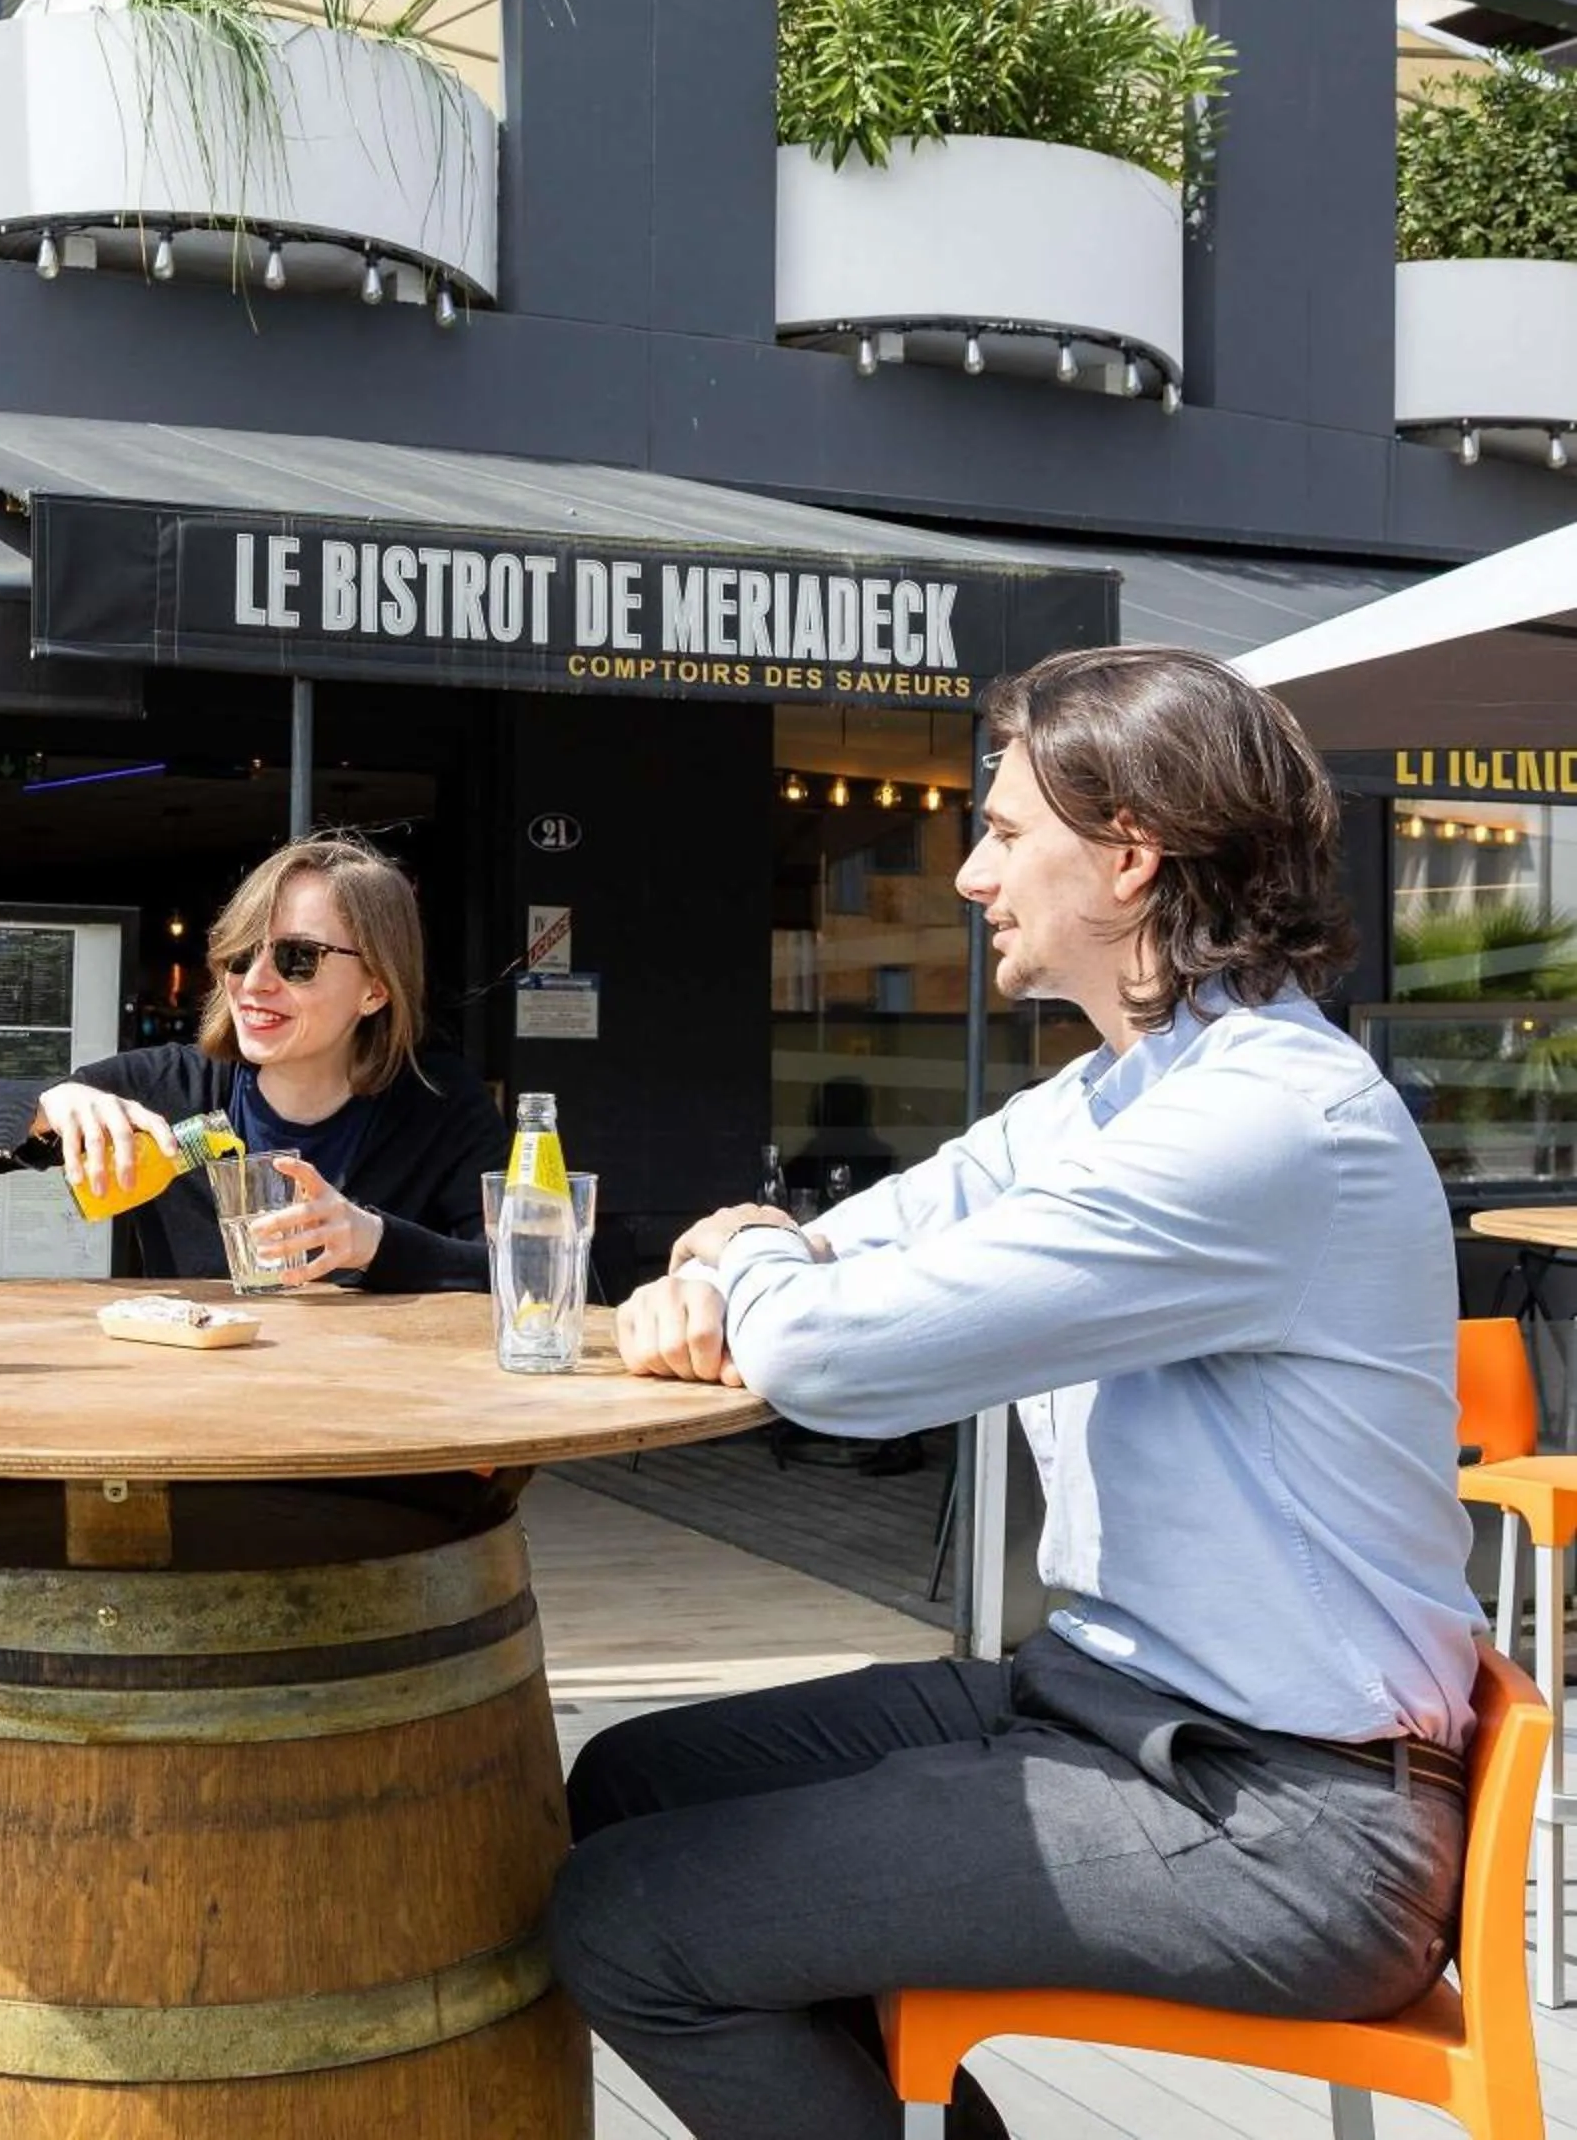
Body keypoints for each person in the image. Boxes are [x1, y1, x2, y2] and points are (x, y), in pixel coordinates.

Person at [550, 648, 1481, 2140]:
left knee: (626, 1920)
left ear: (1129, 855)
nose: (971, 872)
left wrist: (736, 1256)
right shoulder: (1125, 1091)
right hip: (1118, 1708)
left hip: (1285, 1818)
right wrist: (760, 1255)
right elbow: (873, 1232)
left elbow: (836, 1359)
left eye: (1002, 830)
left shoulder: (1260, 1126)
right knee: (633, 1778)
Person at [0, 833, 504, 1291]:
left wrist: (375, 1241)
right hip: (201, 1421)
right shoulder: (172, 1090)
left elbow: (529, 1271)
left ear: (375, 988)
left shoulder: (438, 1103)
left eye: (298, 959)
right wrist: (46, 1106)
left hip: (374, 1430)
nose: (256, 983)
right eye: (242, 956)